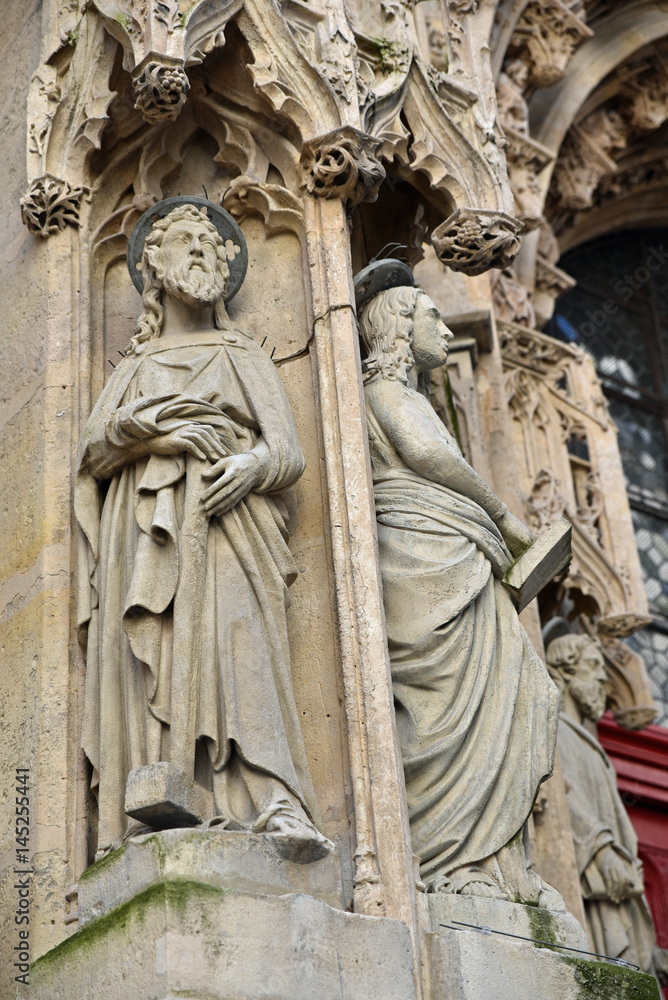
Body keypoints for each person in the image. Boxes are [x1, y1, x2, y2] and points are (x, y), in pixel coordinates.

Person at [76, 201, 329, 858]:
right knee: (153, 649)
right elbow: (93, 451)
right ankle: (160, 787)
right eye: (186, 240)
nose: (201, 250)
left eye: (213, 244)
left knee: (239, 644)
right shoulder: (134, 368)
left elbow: (288, 453)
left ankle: (270, 797)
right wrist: (158, 429)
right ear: (153, 267)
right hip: (147, 528)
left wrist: (250, 465)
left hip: (230, 525)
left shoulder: (241, 353)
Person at [359, 281, 561, 903]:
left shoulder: (420, 399)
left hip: (460, 556)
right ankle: (449, 861)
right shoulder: (384, 391)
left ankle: (498, 860)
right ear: (397, 328)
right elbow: (422, 454)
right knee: (443, 712)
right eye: (433, 317)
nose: (446, 331)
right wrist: (502, 514)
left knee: (526, 690)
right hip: (425, 559)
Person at [546, 633, 664, 976]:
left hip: (621, 881)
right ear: (565, 672)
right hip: (595, 878)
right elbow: (562, 794)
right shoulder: (554, 729)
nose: (602, 678)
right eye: (594, 666)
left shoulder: (587, 743)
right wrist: (601, 849)